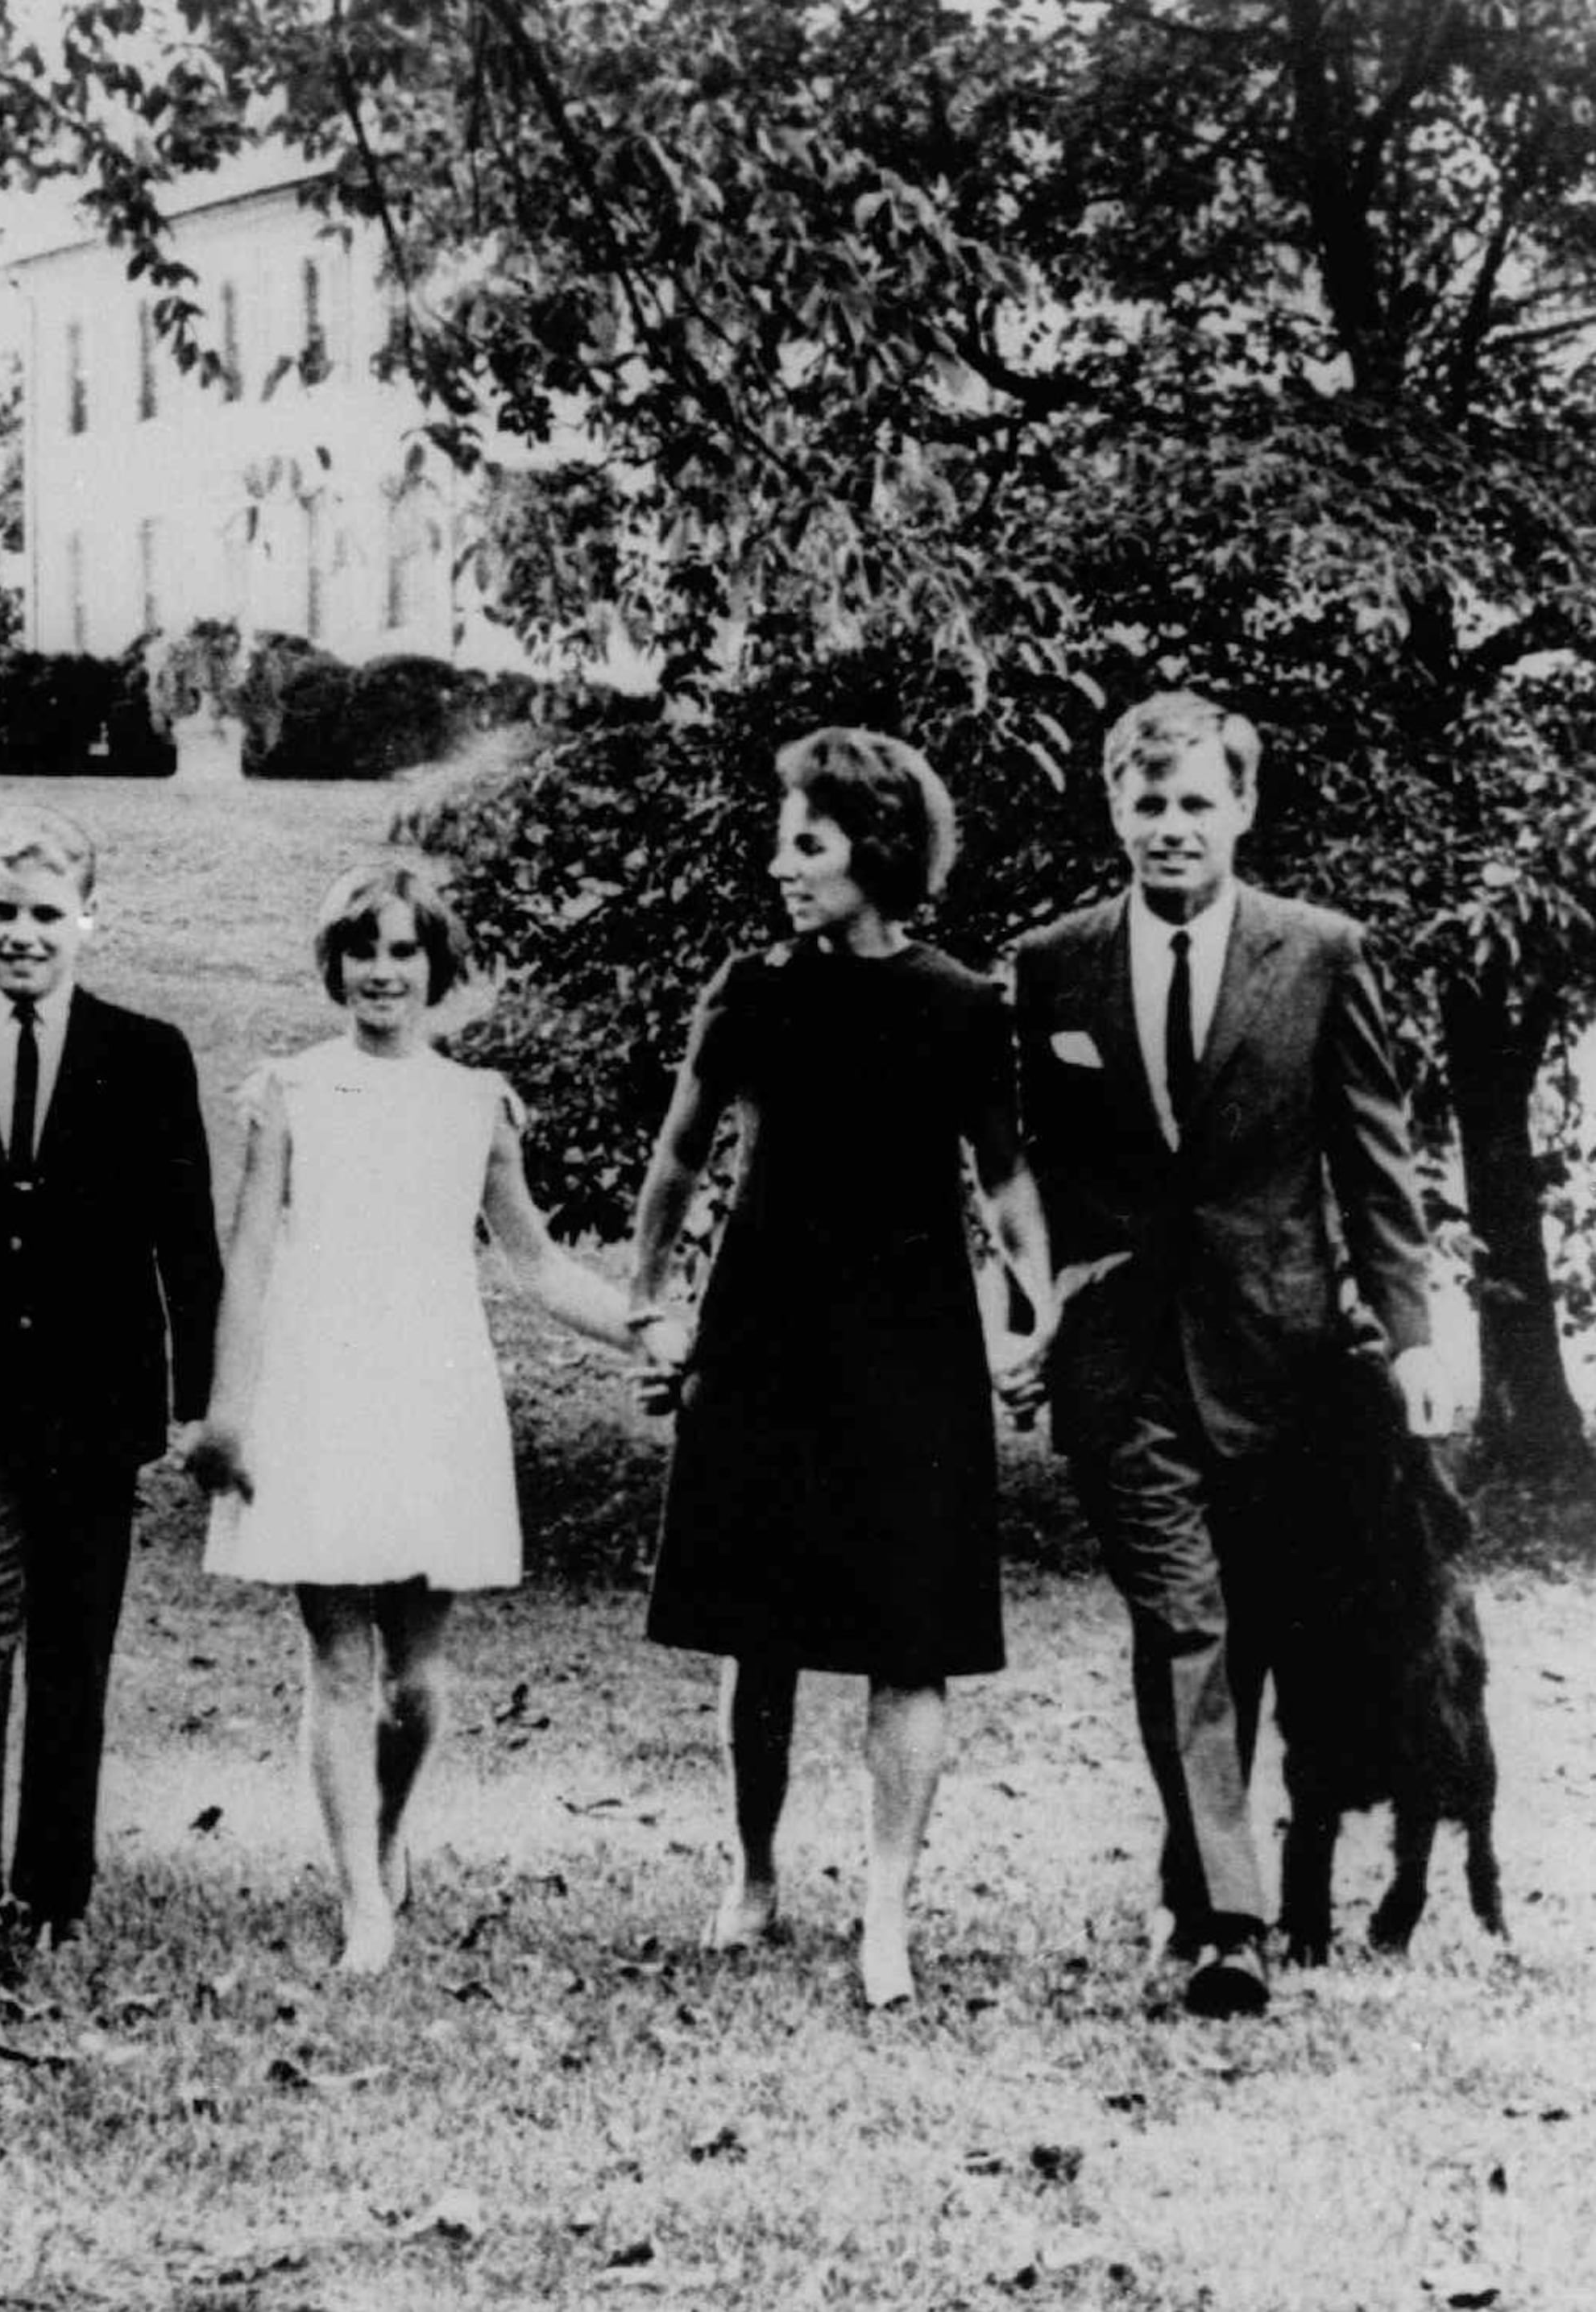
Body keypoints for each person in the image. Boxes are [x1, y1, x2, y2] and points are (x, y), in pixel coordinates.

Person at [1013, 690, 1452, 2020]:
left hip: (1283, 1355)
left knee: (1247, 1625)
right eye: (1147, 802)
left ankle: (1190, 1879)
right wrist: (1033, 1307)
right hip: (1123, 1357)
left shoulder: (1321, 954)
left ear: (1242, 808)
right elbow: (1028, 1169)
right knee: (1184, 1617)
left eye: (1198, 801)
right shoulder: (1053, 964)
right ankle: (1233, 1927)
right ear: (1114, 808)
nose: (1172, 826)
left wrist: (1414, 1335)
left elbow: (1375, 1166)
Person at [625, 730, 1055, 2010]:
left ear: (875, 849)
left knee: (911, 1637)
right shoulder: (751, 990)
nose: (781, 865)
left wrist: (1035, 1313)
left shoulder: (963, 1003)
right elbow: (678, 1155)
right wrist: (650, 1304)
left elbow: (1006, 1177)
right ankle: (753, 1874)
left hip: (913, 1345)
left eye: (805, 843)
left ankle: (886, 1909)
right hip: (762, 1331)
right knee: (755, 1632)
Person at [192, 862, 640, 1975]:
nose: (383, 972)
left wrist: (644, 1326)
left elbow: (537, 1262)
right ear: (333, 964)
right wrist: (227, 1412)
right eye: (363, 950)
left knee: (418, 1678)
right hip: (318, 1390)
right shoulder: (290, 1091)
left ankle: (388, 1831)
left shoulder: (476, 1102)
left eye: (404, 951)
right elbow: (251, 1262)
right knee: (338, 1661)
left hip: (432, 1395)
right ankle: (363, 1901)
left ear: (437, 967)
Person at [0, 806, 224, 1960]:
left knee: (74, 1651)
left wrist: (200, 1403)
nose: (22, 934)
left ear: (87, 917)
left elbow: (187, 1242)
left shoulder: (148, 1053)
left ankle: (55, 1893)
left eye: (45, 912)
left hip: (94, 1410)